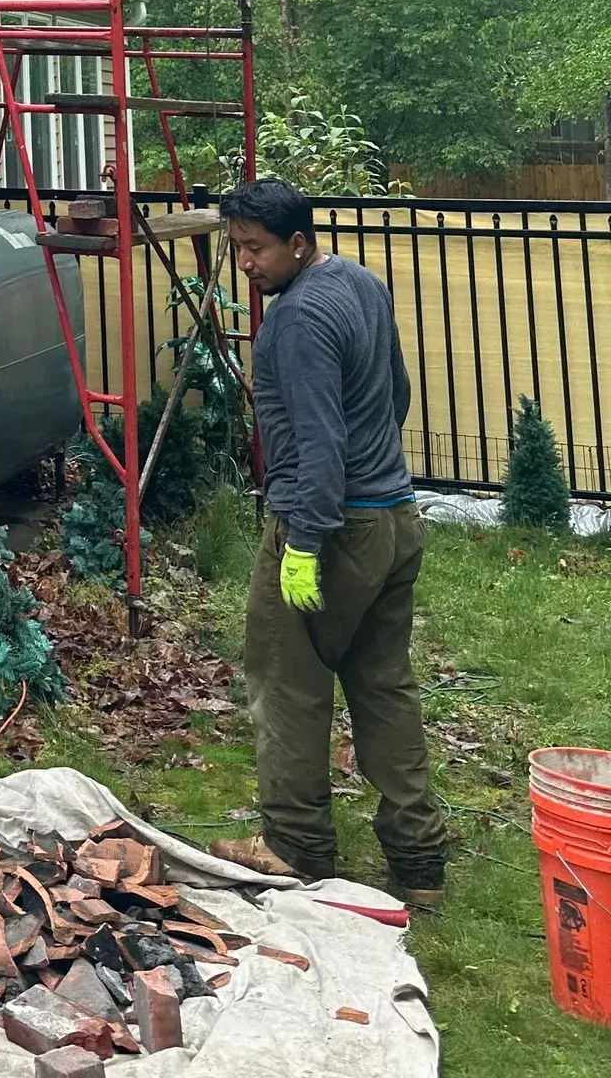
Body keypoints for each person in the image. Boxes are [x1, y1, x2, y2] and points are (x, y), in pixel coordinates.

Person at [221, 176, 450, 904]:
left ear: (297, 243)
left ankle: (294, 845)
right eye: (236, 248)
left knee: (288, 683)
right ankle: (419, 860)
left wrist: (302, 544)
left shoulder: (297, 322)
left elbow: (319, 445)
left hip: (331, 525)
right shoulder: (358, 281)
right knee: (384, 687)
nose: (245, 265)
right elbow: (396, 390)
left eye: (255, 249)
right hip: (393, 518)